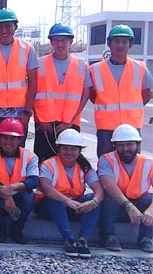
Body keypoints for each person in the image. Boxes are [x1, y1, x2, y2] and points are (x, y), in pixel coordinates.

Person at [0, 8, 38, 154]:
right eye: (0, 26)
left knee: (17, 154)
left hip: (18, 112)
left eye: (8, 25)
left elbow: (33, 83)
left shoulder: (27, 49)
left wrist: (27, 112)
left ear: (15, 27)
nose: (4, 30)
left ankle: (17, 178)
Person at [35, 129, 103, 258]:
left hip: (74, 207)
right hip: (49, 207)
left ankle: (83, 240)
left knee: (93, 199)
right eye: (65, 148)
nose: (69, 153)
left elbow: (99, 190)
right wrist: (67, 201)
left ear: (79, 150)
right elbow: (46, 188)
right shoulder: (49, 164)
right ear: (58, 149)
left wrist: (92, 202)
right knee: (56, 199)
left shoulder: (84, 166)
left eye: (73, 149)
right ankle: (68, 238)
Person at [89, 25, 152, 157]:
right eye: (116, 41)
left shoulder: (139, 67)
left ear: (130, 45)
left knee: (132, 166)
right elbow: (92, 94)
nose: (120, 45)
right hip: (106, 128)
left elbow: (146, 94)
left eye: (124, 41)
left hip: (132, 127)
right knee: (107, 165)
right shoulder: (95, 69)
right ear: (109, 44)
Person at [33, 24, 91, 162]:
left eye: (64, 40)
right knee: (44, 161)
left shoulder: (81, 65)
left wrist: (70, 121)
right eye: (56, 40)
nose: (60, 44)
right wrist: (39, 119)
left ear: (70, 42)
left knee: (69, 162)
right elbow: (31, 92)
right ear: (51, 42)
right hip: (45, 125)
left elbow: (86, 93)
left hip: (70, 123)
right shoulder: (39, 63)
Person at [97, 124, 153, 253]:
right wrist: (129, 206)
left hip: (138, 209)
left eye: (129, 144)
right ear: (114, 146)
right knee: (108, 197)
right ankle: (108, 236)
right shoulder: (107, 159)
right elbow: (108, 185)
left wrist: (150, 210)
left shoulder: (149, 162)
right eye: (120, 145)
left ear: (137, 145)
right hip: (114, 208)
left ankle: (146, 238)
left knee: (149, 199)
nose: (125, 149)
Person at [0, 118, 39, 244]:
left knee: (30, 197)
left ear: (20, 140)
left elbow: (34, 180)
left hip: (18, 193)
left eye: (12, 138)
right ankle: (0, 229)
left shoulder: (30, 156)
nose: (8, 142)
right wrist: (5, 194)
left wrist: (12, 188)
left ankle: (17, 230)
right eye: (5, 137)